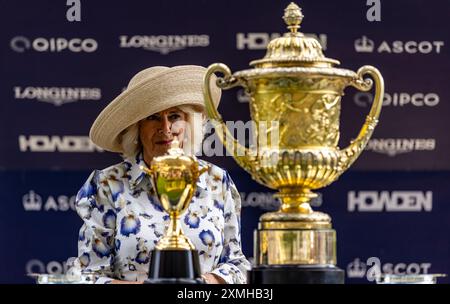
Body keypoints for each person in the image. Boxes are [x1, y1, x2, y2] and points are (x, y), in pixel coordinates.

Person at [67, 65, 250, 284]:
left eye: (174, 116)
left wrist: (199, 285)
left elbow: (237, 266)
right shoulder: (107, 185)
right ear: (137, 128)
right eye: (153, 118)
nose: (165, 128)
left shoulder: (217, 181)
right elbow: (87, 278)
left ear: (188, 123)